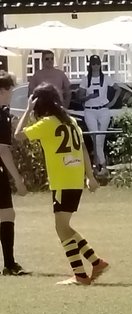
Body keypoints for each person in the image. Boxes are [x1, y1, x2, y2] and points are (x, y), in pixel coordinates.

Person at [14, 85, 107, 286]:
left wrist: (28, 110)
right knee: (64, 226)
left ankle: (85, 271)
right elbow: (82, 148)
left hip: (62, 180)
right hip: (74, 178)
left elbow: (18, 135)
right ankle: (91, 265)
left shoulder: (48, 123)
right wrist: (89, 176)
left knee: (61, 227)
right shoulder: (71, 121)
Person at [0, 73, 29, 276]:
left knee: (6, 214)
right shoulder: (2, 114)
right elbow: (2, 150)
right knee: (7, 213)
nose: (12, 94)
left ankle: (10, 264)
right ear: (2, 91)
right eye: (10, 90)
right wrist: (18, 181)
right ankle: (9, 264)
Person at [82, 55, 113, 171]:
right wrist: (89, 96)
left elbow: (118, 89)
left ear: (100, 65)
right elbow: (80, 96)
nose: (95, 66)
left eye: (97, 63)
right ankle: (102, 166)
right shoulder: (86, 79)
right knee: (95, 137)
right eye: (93, 63)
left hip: (103, 109)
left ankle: (97, 165)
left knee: (100, 139)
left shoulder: (106, 78)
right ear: (90, 65)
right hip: (90, 110)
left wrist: (112, 102)